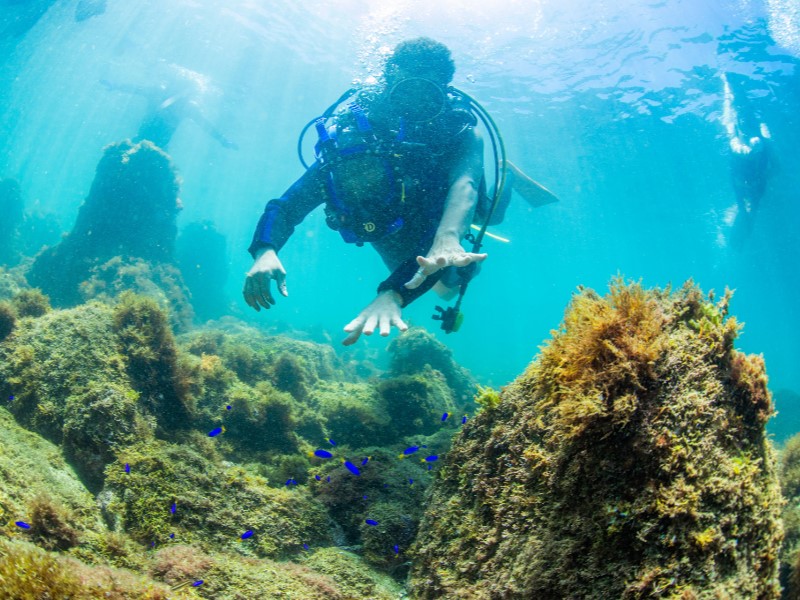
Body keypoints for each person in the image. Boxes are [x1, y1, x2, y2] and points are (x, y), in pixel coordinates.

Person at [243, 38, 491, 345]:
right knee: (437, 282)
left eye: (425, 95)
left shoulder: (456, 133)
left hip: (442, 215)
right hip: (387, 227)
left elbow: (463, 187)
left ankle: (508, 180)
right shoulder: (354, 137)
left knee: (455, 271)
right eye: (407, 91)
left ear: (443, 90)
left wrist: (398, 290)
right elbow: (287, 205)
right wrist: (265, 250)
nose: (414, 107)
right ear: (389, 82)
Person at [100, 65, 238, 152]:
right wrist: (116, 86)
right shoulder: (174, 100)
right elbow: (136, 89)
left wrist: (116, 86)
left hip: (151, 144)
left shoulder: (184, 105)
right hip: (154, 145)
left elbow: (206, 126)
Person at [720, 72, 774, 243]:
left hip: (751, 176)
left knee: (751, 207)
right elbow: (736, 145)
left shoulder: (760, 147)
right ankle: (728, 85)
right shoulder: (741, 147)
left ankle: (730, 85)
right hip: (747, 175)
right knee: (749, 207)